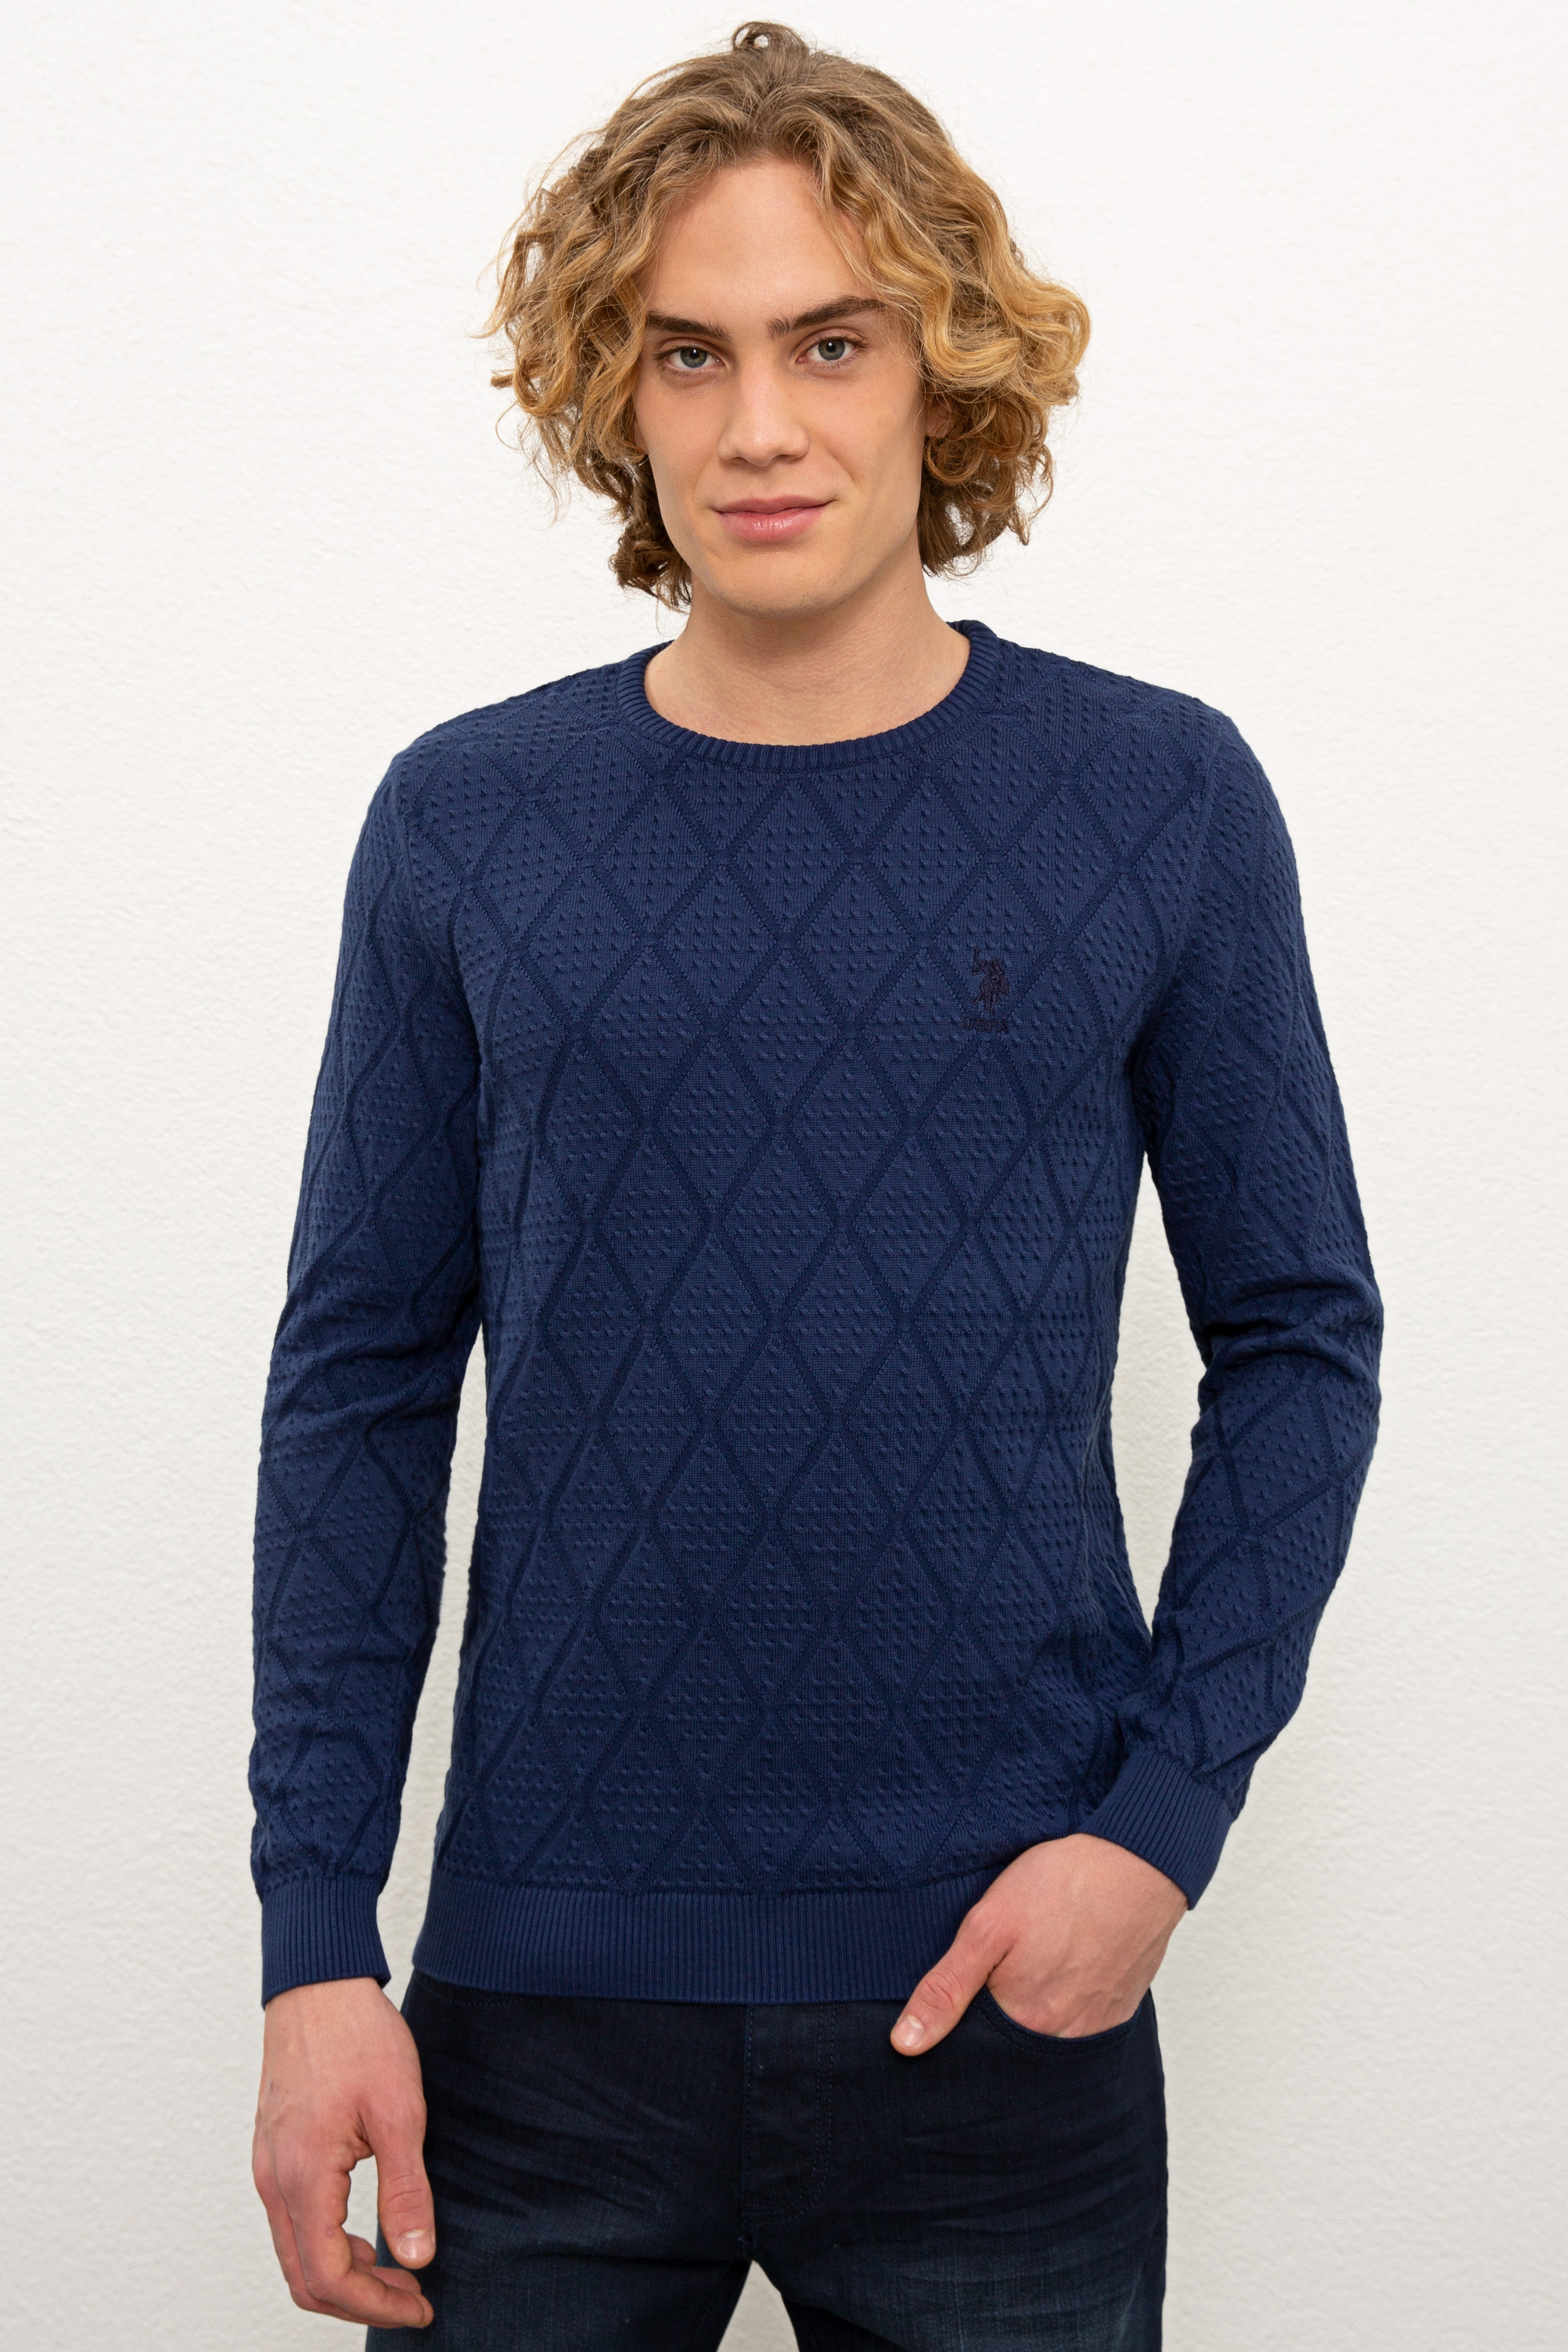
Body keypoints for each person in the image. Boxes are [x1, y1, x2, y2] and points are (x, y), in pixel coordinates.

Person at [249, 23, 1382, 2348]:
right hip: (534, 2024)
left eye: (830, 343)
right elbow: (358, 1384)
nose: (760, 423)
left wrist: (1159, 1828)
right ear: (618, 394)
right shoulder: (467, 820)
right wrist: (312, 1946)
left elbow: (1300, 1335)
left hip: (1002, 2010)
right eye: (692, 353)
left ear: (942, 375)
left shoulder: (1157, 797)